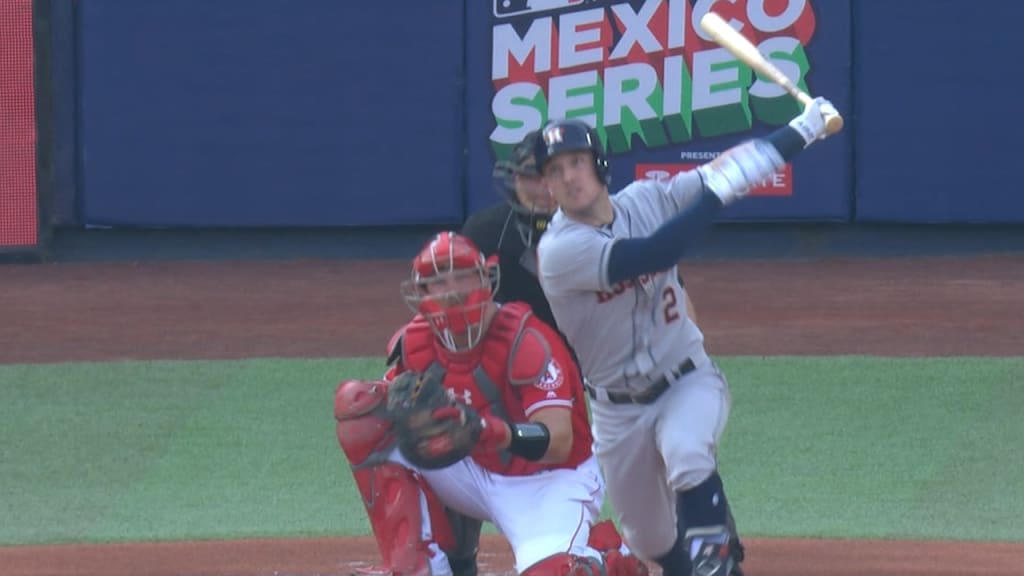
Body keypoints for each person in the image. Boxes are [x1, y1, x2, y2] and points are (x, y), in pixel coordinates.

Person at [535, 99, 839, 576]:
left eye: (576, 162)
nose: (569, 177)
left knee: (687, 452)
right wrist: (713, 197)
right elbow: (657, 251)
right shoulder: (559, 250)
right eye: (555, 170)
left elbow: (730, 168)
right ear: (548, 187)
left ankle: (720, 569)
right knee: (650, 539)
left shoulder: (646, 200)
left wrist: (803, 128)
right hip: (616, 412)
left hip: (686, 379)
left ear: (598, 165)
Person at [334, 231, 648, 576]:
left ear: (486, 279)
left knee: (553, 574)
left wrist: (487, 430)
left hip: (547, 482)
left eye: (464, 276)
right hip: (473, 472)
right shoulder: (414, 345)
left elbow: (559, 443)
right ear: (422, 293)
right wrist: (417, 415)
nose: (453, 290)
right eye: (439, 282)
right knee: (363, 411)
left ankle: (608, 555)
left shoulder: (527, 342)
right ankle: (419, 565)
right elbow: (399, 417)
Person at [461, 130, 559, 329]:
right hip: (510, 346)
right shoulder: (484, 231)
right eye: (532, 174)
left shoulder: (600, 228)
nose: (544, 186)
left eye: (554, 173)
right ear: (516, 179)